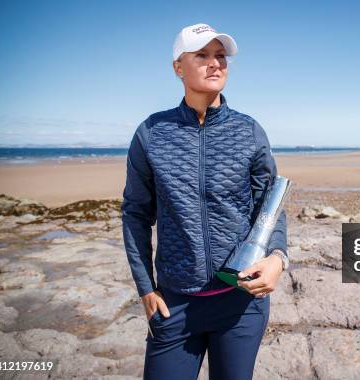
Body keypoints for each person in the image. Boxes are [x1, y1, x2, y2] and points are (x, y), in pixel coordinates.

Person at [121, 23, 289, 380]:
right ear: (178, 67)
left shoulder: (249, 131)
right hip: (175, 305)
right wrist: (145, 287)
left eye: (221, 56)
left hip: (241, 303)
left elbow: (270, 205)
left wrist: (277, 257)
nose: (215, 64)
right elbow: (135, 213)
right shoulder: (151, 132)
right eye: (202, 55)